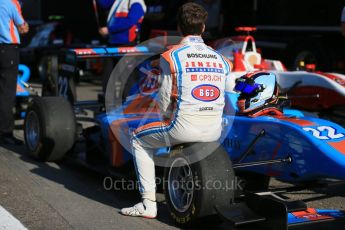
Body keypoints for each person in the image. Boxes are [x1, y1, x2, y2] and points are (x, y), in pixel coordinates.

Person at [120, 2, 234, 218]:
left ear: (179, 28)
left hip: (182, 128)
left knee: (137, 139)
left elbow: (163, 99)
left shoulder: (170, 57)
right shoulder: (222, 59)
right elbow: (228, 97)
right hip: (215, 130)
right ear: (203, 28)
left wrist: (163, 117)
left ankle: (148, 204)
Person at [0, 0, 29, 145]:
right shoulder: (11, 2)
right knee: (7, 92)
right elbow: (23, 28)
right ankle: (5, 133)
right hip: (7, 49)